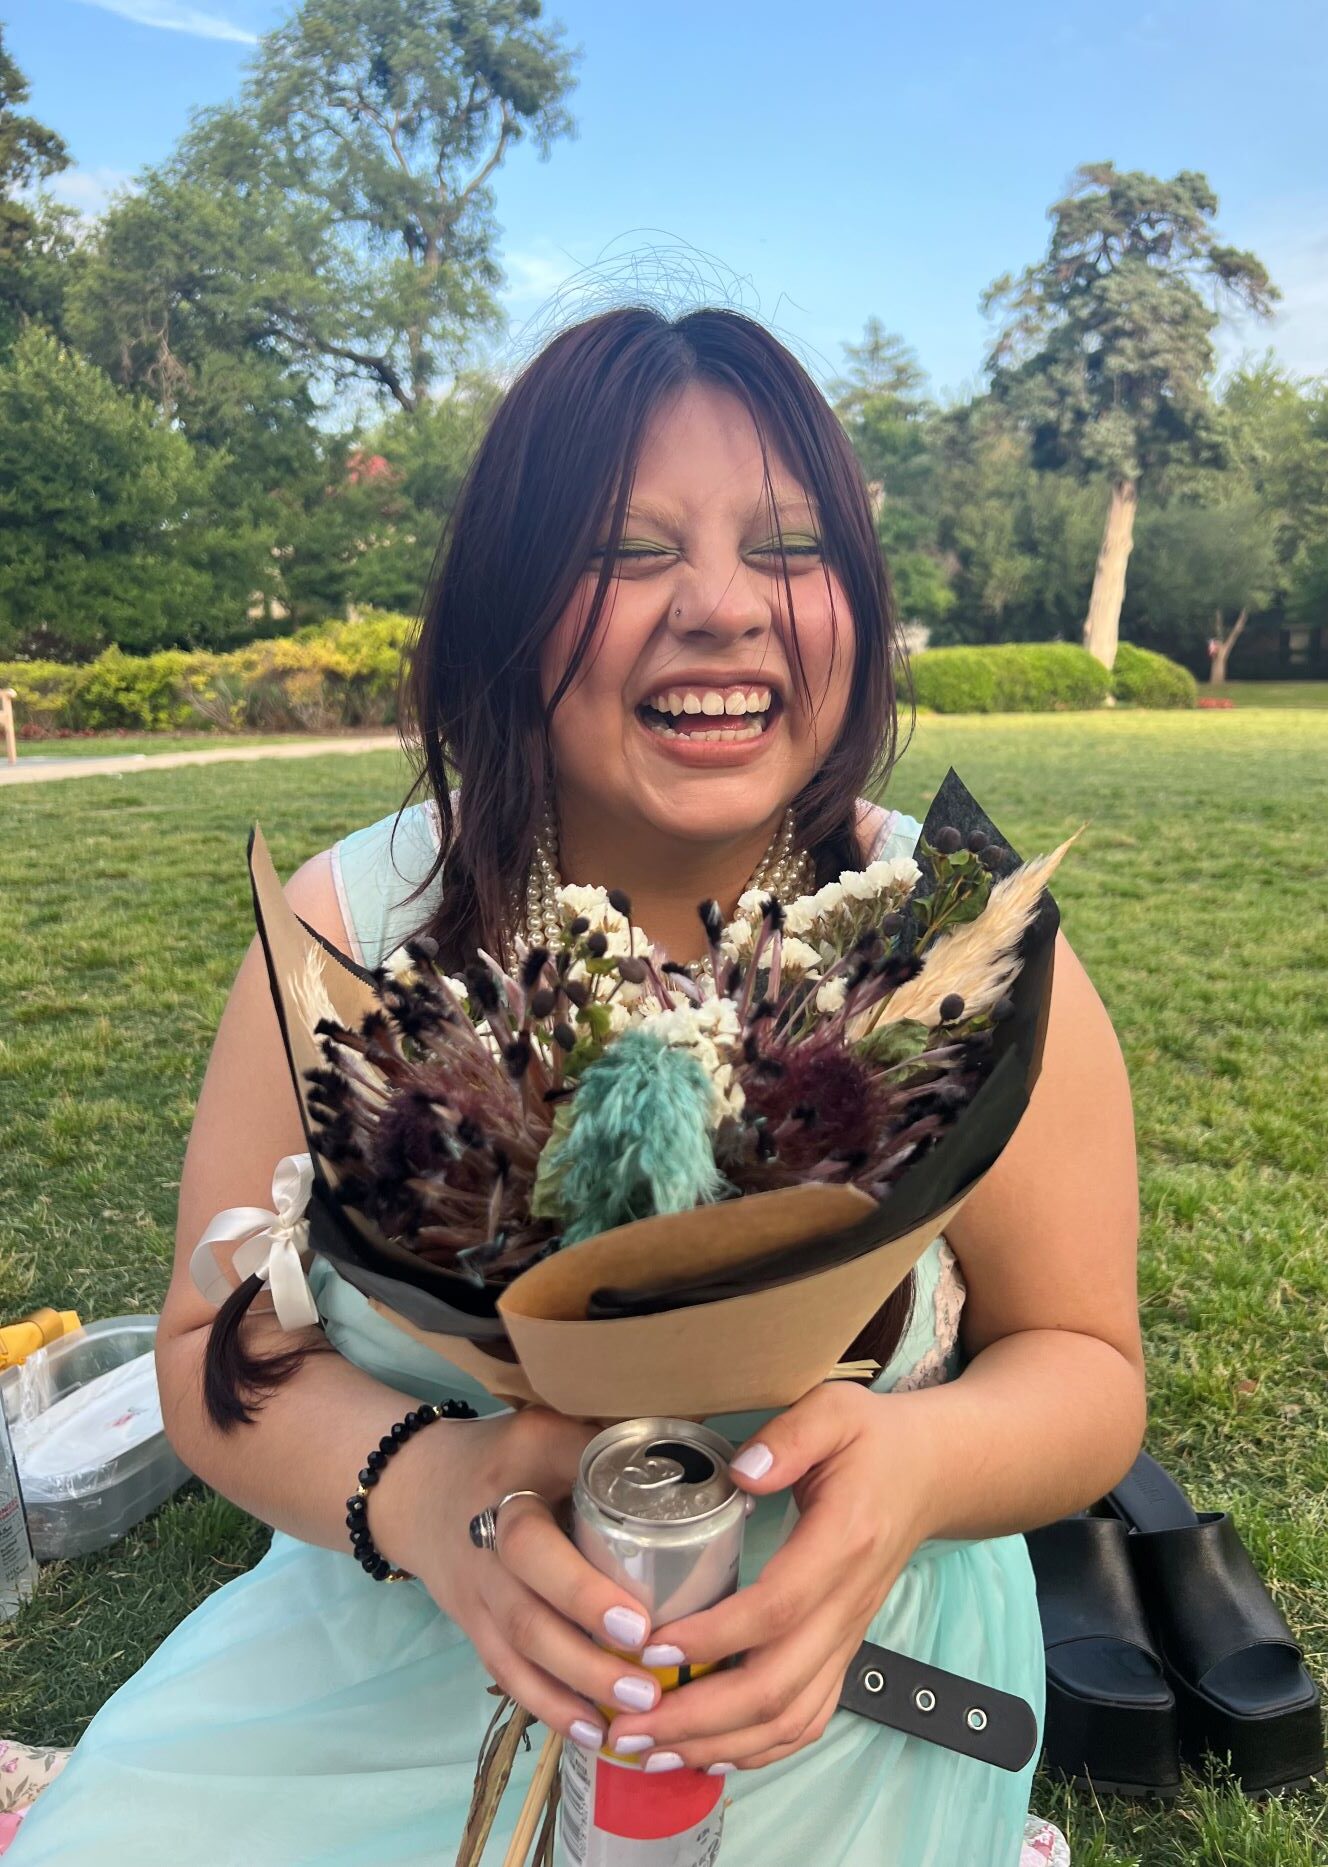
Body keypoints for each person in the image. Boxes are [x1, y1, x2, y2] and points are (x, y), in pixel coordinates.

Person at [10, 307, 1143, 1866]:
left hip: (832, 1680)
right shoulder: (351, 937)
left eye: (790, 544)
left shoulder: (957, 941)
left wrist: (916, 1471)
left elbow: (1083, 1360)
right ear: (511, 603)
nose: (726, 609)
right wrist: (434, 1496)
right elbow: (218, 1345)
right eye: (627, 552)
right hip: (398, 1650)